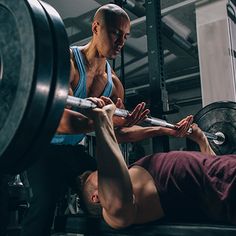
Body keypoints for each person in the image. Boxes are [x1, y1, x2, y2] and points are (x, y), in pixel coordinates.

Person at [20, 4, 193, 236]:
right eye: (115, 33)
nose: (121, 41)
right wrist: (105, 120)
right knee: (45, 204)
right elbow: (62, 122)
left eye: (125, 36)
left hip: (73, 152)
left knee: (114, 193)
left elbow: (118, 135)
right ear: (95, 28)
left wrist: (161, 131)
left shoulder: (113, 83)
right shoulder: (68, 61)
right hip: (42, 147)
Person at [77, 98, 236, 229]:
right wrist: (103, 123)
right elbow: (117, 202)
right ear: (96, 197)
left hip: (227, 172)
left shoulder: (132, 174)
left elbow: (213, 171)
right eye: (99, 174)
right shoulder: (114, 214)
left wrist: (201, 140)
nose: (102, 170)